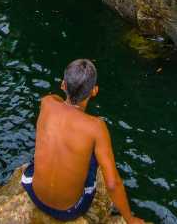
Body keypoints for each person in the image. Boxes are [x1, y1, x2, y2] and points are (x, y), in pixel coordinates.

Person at [22, 59, 145, 223]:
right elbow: (112, 183)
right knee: (93, 154)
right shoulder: (96, 127)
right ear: (94, 91)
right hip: (68, 210)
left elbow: (58, 103)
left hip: (33, 192)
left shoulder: (47, 102)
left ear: (63, 85)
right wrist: (130, 219)